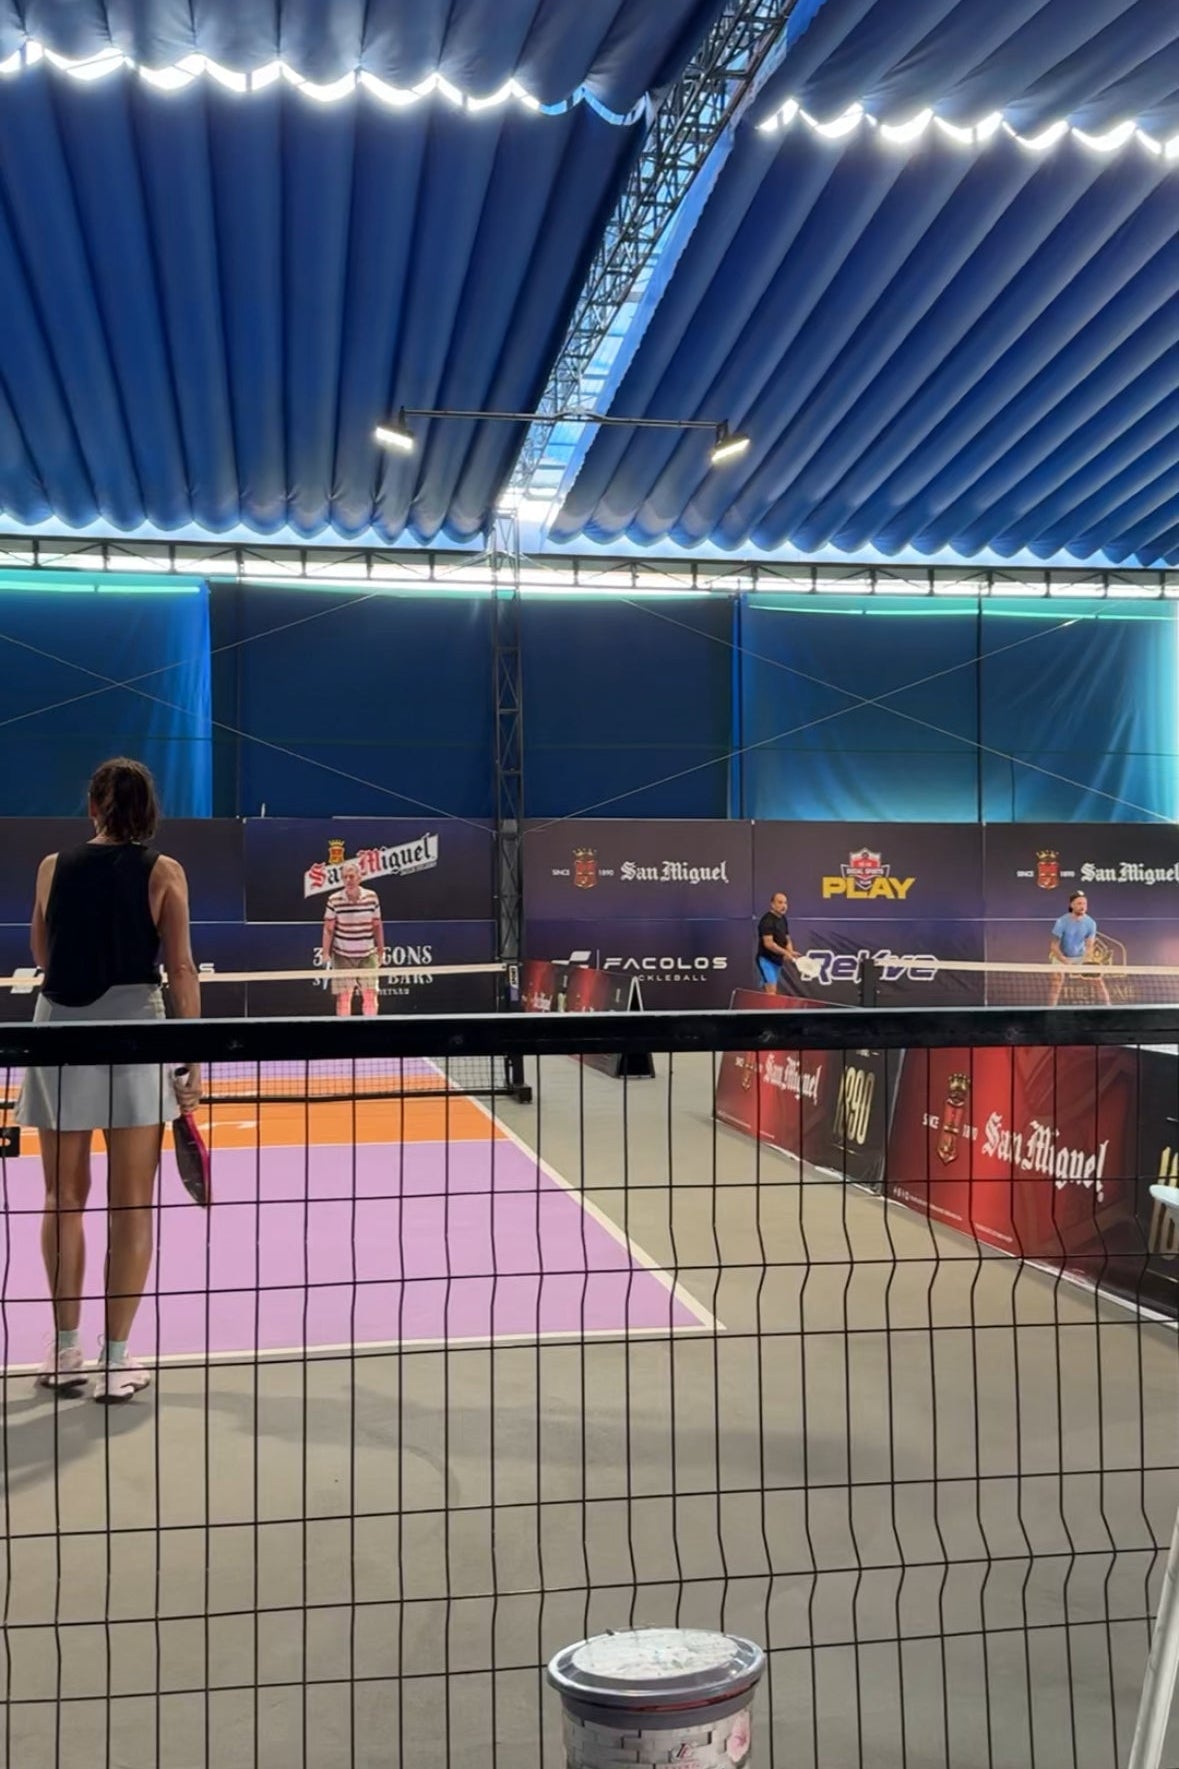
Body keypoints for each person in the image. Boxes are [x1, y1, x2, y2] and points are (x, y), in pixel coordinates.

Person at [16, 758, 201, 1402]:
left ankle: (66, 1352)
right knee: (132, 1207)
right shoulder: (165, 872)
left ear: (93, 806)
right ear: (148, 810)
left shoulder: (49, 868)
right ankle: (116, 1361)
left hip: (57, 1035)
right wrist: (189, 1059)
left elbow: (44, 956)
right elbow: (180, 969)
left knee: (61, 1199)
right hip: (136, 1039)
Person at [322, 859, 384, 1016]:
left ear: (359, 877)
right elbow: (328, 929)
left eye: (351, 876)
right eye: (345, 877)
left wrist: (381, 950)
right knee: (343, 998)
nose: (348, 880)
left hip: (367, 955)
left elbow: (377, 925)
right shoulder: (334, 899)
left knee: (370, 997)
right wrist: (325, 954)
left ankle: (371, 1030)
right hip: (343, 955)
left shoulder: (372, 897)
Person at [1048, 889, 1111, 1007]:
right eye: (1079, 903)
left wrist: (1085, 960)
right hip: (1061, 956)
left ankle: (1109, 1008)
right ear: (1071, 905)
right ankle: (1050, 1011)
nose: (1082, 906)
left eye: (1084, 904)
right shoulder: (1061, 922)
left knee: (1098, 981)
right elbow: (1054, 946)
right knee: (1056, 982)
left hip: (1081, 957)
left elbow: (1089, 946)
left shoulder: (1091, 923)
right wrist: (1064, 960)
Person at [756, 890, 797, 994]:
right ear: (772, 904)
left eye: (785, 903)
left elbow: (787, 938)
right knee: (771, 991)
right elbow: (769, 944)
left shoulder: (783, 919)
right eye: (780, 902)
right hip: (766, 960)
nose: (784, 906)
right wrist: (785, 953)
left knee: (769, 991)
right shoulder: (767, 921)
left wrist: (790, 951)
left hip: (777, 961)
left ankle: (760, 1007)